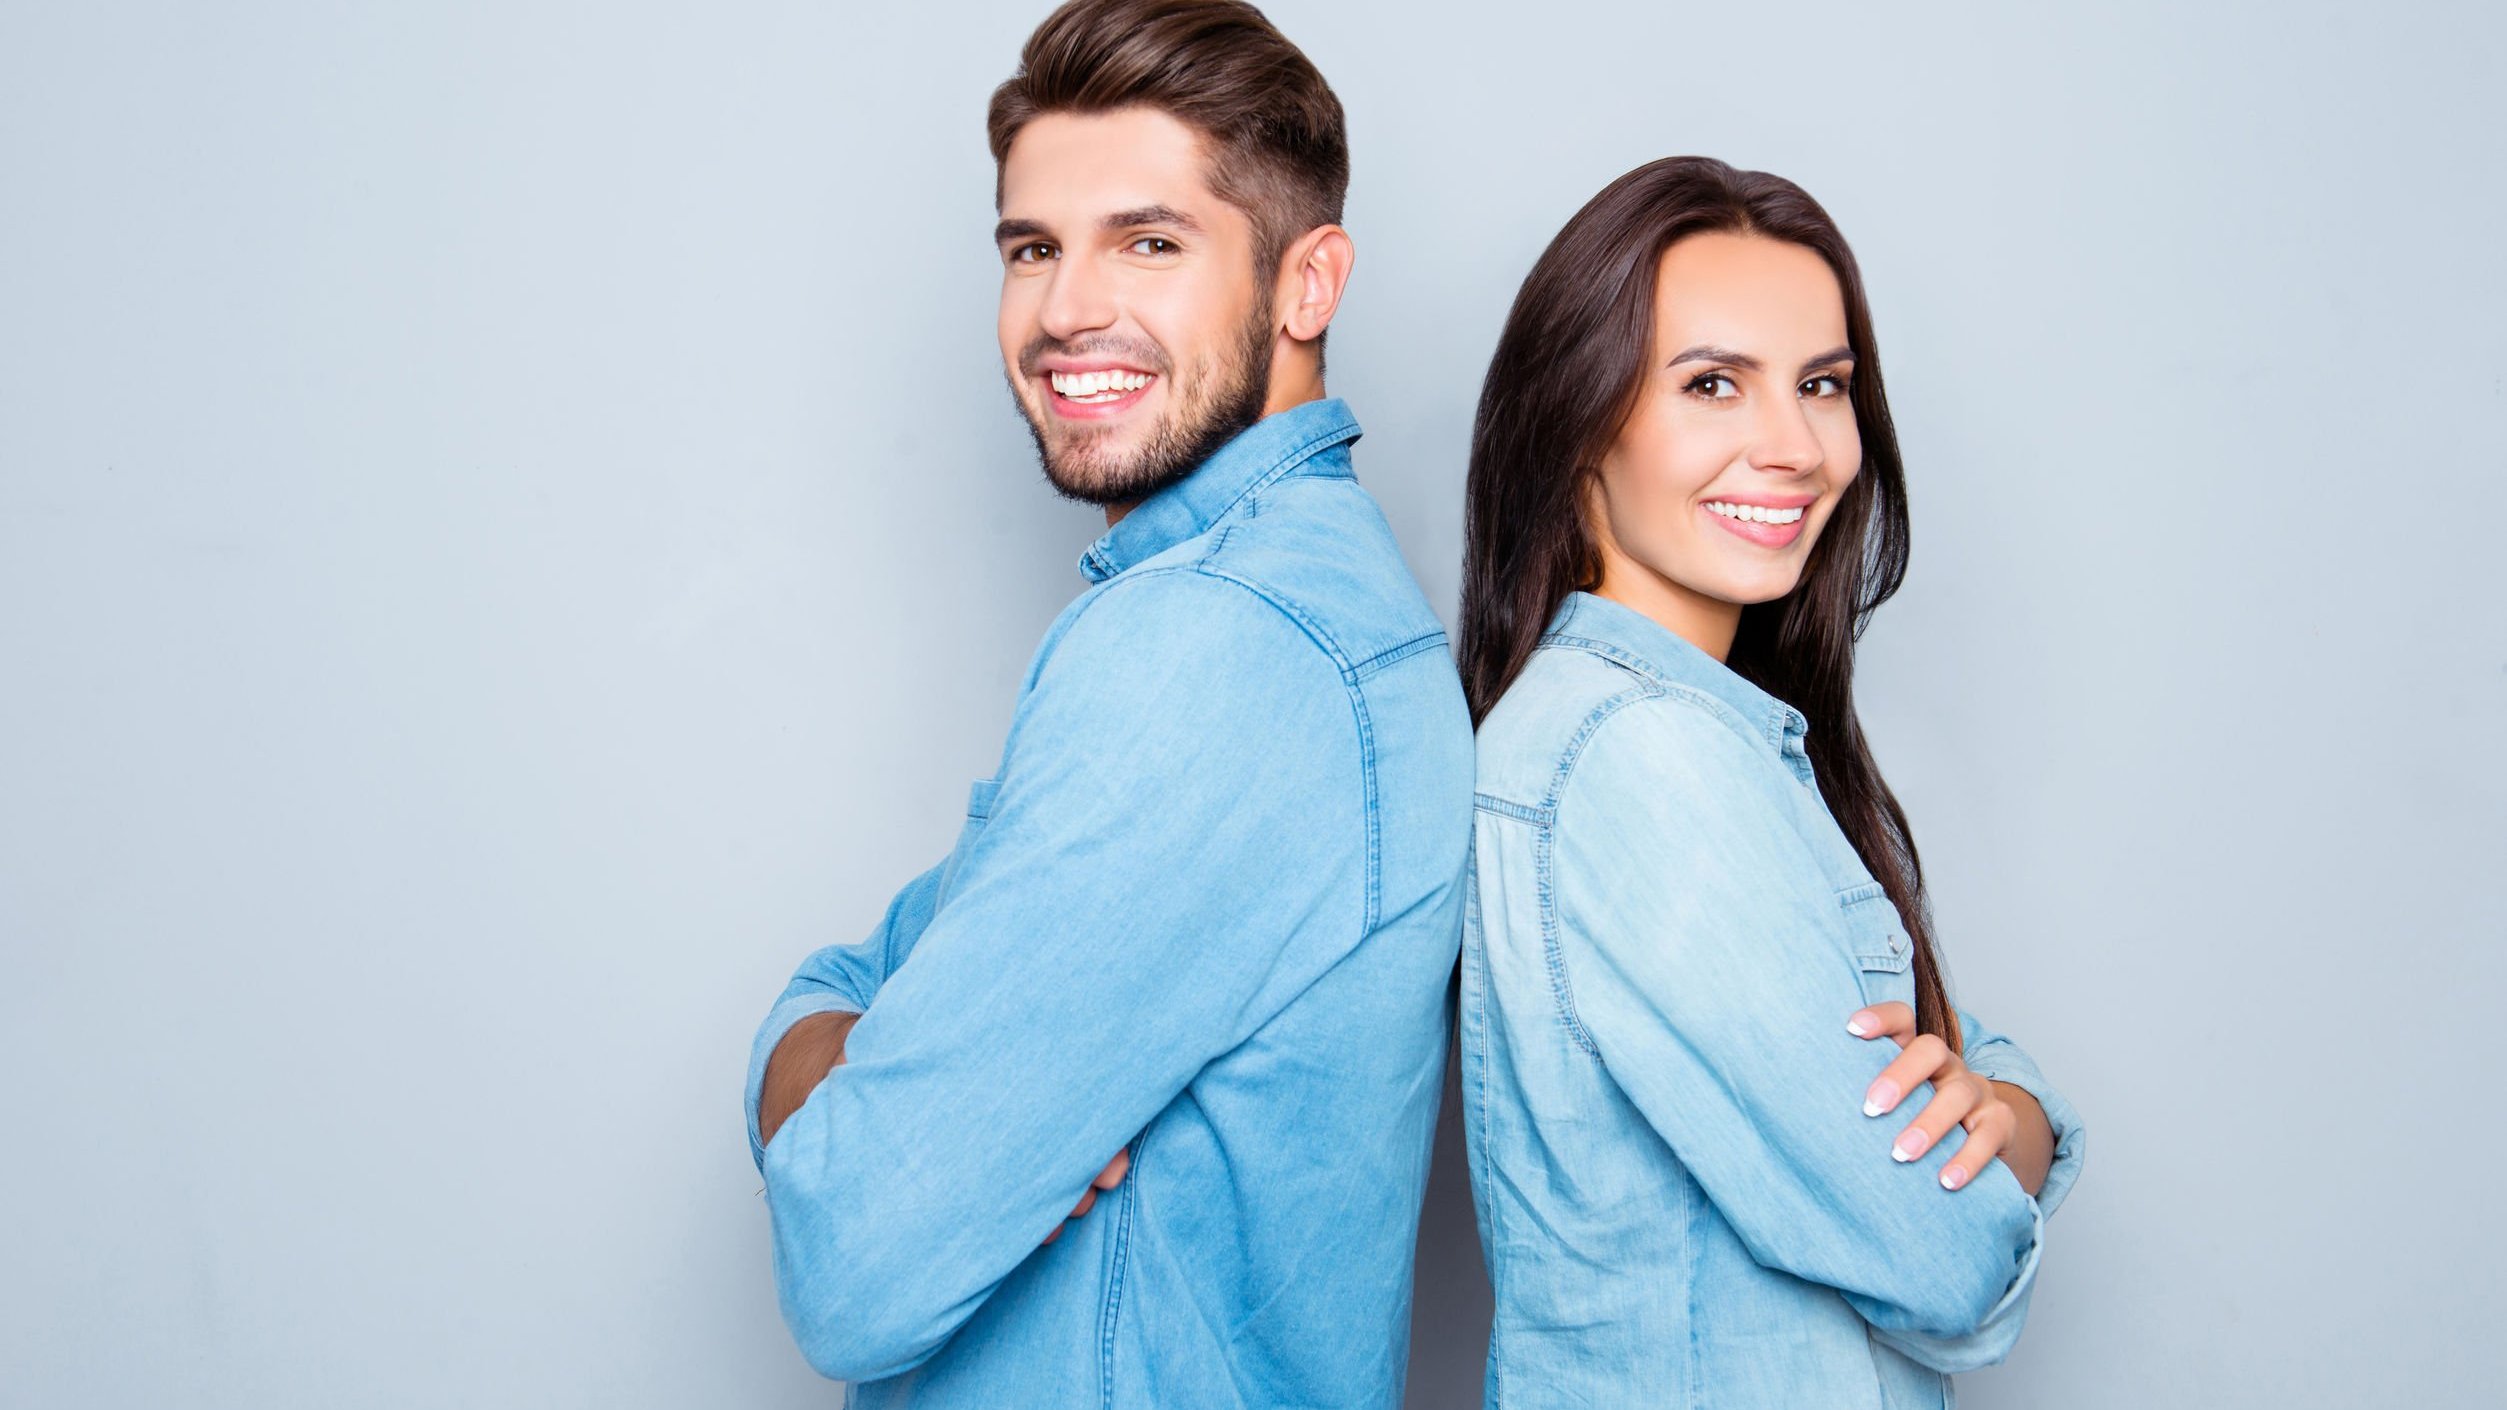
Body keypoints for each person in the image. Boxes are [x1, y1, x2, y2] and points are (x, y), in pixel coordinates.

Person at [741, 1, 1474, 1404]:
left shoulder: (1215, 650)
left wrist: (836, 1079)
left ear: (1305, 284)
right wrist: (843, 1055)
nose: (1066, 308)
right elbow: (843, 987)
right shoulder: (1273, 615)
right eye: (1031, 247)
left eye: (1147, 240)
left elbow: (851, 1254)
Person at [1455, 156, 2087, 1407]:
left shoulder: (1671, 735)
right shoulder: (1642, 762)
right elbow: (1943, 1257)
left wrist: (2001, 1114)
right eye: (1709, 385)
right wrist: (2019, 1105)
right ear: (1578, 418)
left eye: (1821, 385)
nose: (1793, 446)